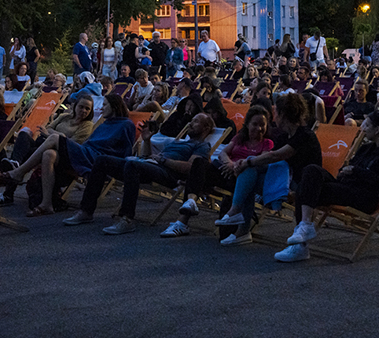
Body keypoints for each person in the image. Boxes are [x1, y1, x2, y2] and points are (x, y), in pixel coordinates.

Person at [274, 110, 379, 262]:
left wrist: (356, 171)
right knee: (311, 170)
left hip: (365, 196)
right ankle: (305, 227)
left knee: (305, 188)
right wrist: (346, 171)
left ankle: (300, 245)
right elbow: (348, 168)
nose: (363, 128)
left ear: (377, 130)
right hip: (346, 187)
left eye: (367, 125)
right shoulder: (365, 148)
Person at [64, 113, 215, 234]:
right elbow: (147, 156)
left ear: (206, 128)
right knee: (102, 160)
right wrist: (147, 140)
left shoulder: (202, 146)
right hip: (150, 166)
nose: (190, 123)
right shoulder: (178, 142)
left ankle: (127, 219)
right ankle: (86, 211)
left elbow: (191, 167)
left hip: (168, 174)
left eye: (196, 121)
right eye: (191, 121)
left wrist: (164, 160)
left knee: (132, 165)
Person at [0, 94, 136, 216]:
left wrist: (119, 168)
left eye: (105, 105)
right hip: (85, 151)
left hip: (94, 157)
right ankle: (46, 204)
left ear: (114, 107)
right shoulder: (104, 124)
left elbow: (126, 151)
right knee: (48, 154)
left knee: (54, 138)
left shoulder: (126, 124)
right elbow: (89, 142)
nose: (102, 108)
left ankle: (19, 172)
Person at [215, 93, 321, 246]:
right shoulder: (285, 136)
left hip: (302, 186)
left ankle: (238, 219)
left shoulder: (304, 135)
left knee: (249, 170)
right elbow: (268, 161)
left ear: (283, 115)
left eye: (275, 112)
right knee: (249, 173)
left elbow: (275, 156)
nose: (274, 117)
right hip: (284, 181)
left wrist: (247, 162)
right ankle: (240, 225)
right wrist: (242, 165)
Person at [162, 106, 274, 238]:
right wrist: (229, 163)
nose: (259, 128)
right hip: (225, 170)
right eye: (255, 124)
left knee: (196, 179)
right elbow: (223, 153)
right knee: (199, 163)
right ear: (248, 124)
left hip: (240, 179)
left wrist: (237, 166)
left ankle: (186, 212)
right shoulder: (239, 138)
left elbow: (261, 160)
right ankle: (185, 215)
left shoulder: (267, 143)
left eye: (262, 125)